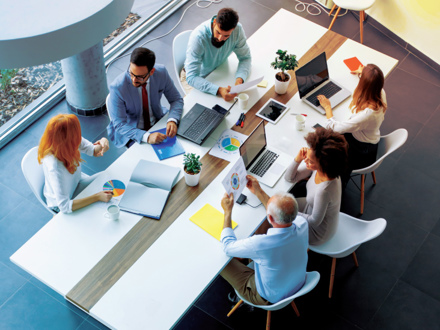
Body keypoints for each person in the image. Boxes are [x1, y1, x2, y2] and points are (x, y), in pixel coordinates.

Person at [219, 175, 308, 305]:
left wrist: (227, 211)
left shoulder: (260, 244)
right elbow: (280, 213)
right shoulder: (302, 223)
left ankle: (244, 296)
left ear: (271, 218)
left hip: (268, 297)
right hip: (297, 282)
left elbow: (227, 246)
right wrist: (259, 191)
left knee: (220, 262)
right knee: (259, 232)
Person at [107, 47, 184, 148]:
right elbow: (120, 124)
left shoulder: (161, 73)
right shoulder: (118, 87)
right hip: (132, 132)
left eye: (139, 77)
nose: (134, 80)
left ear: (151, 72)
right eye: (131, 73)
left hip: (157, 120)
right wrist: (147, 137)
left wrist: (172, 120)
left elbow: (176, 99)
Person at [317, 64, 387, 173]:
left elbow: (336, 128)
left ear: (364, 85)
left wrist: (327, 108)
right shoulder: (380, 93)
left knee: (323, 143)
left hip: (361, 151)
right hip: (368, 138)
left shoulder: (367, 115)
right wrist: (362, 72)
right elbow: (374, 80)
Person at [284, 128, 348, 246]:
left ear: (323, 164)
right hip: (310, 208)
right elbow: (290, 178)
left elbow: (314, 222)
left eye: (310, 161)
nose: (306, 160)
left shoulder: (324, 191)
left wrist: (289, 212)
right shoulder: (322, 171)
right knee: (278, 209)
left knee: (278, 218)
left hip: (317, 232)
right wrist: (297, 159)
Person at [38, 114, 113, 214]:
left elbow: (94, 151)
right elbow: (64, 206)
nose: (79, 137)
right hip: (60, 205)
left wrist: (104, 141)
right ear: (67, 139)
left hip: (75, 184)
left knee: (106, 177)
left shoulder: (69, 141)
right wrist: (97, 197)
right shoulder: (55, 166)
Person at [183, 7, 251, 101]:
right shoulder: (198, 37)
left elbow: (245, 58)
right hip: (198, 78)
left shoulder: (237, 30)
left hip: (219, 70)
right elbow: (191, 77)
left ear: (233, 29)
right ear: (215, 22)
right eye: (218, 32)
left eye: (226, 35)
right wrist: (218, 90)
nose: (220, 38)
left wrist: (240, 80)